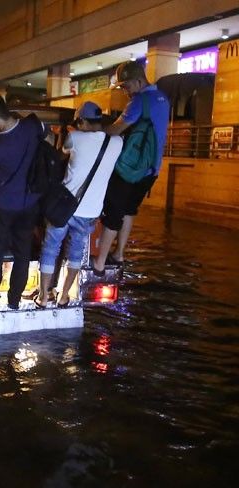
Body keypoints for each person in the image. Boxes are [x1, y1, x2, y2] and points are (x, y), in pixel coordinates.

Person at [36, 102, 123, 308]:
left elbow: (62, 154)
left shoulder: (74, 137)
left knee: (50, 249)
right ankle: (64, 295)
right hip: (90, 211)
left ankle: (43, 296)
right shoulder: (117, 142)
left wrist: (65, 133)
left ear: (81, 121)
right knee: (75, 252)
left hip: (64, 208)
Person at [92, 61, 170, 275]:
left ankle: (99, 263)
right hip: (151, 170)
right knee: (129, 209)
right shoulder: (163, 99)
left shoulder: (139, 101)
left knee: (112, 213)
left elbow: (116, 130)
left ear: (138, 81)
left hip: (130, 170)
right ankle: (119, 254)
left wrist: (95, 129)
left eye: (126, 86)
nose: (125, 91)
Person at [0, 92, 43, 310]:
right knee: (23, 252)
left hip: (4, 204)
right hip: (30, 202)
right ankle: (14, 300)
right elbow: (47, 136)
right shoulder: (33, 126)